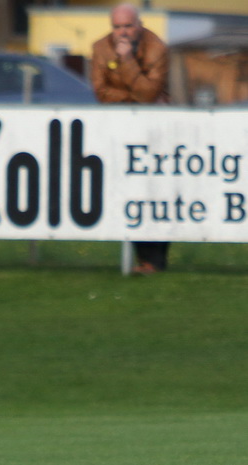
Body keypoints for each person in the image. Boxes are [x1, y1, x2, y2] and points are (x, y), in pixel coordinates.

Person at [91, 2, 170, 275]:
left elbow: (149, 95)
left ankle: (155, 260)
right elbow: (101, 93)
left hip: (155, 132)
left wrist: (125, 61)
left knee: (155, 194)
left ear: (139, 25)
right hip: (120, 130)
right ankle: (144, 259)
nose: (122, 32)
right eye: (117, 27)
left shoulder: (157, 48)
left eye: (128, 26)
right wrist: (135, 96)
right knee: (129, 192)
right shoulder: (100, 48)